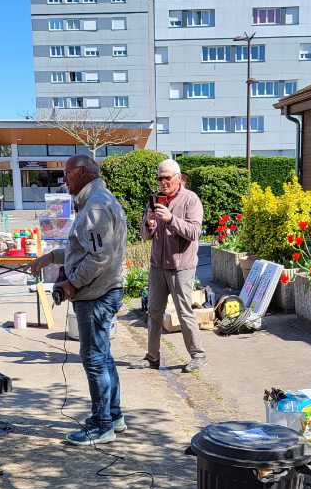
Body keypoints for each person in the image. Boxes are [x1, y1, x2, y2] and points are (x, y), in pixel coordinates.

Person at [30, 155, 127, 445]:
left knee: (94, 359)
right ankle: (114, 415)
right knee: (102, 356)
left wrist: (71, 283)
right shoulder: (95, 199)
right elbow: (83, 248)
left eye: (67, 173)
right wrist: (53, 256)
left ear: (82, 172)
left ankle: (102, 424)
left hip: (96, 294)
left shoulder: (96, 205)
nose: (65, 180)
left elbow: (99, 256)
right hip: (99, 291)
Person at [130, 159, 206, 373]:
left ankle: (198, 355)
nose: (163, 182)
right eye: (159, 178)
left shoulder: (191, 200)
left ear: (178, 177)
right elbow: (144, 235)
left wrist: (171, 218)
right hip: (158, 266)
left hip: (181, 267)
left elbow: (194, 232)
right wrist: (149, 224)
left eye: (167, 177)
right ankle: (152, 357)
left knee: (184, 313)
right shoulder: (154, 199)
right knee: (154, 313)